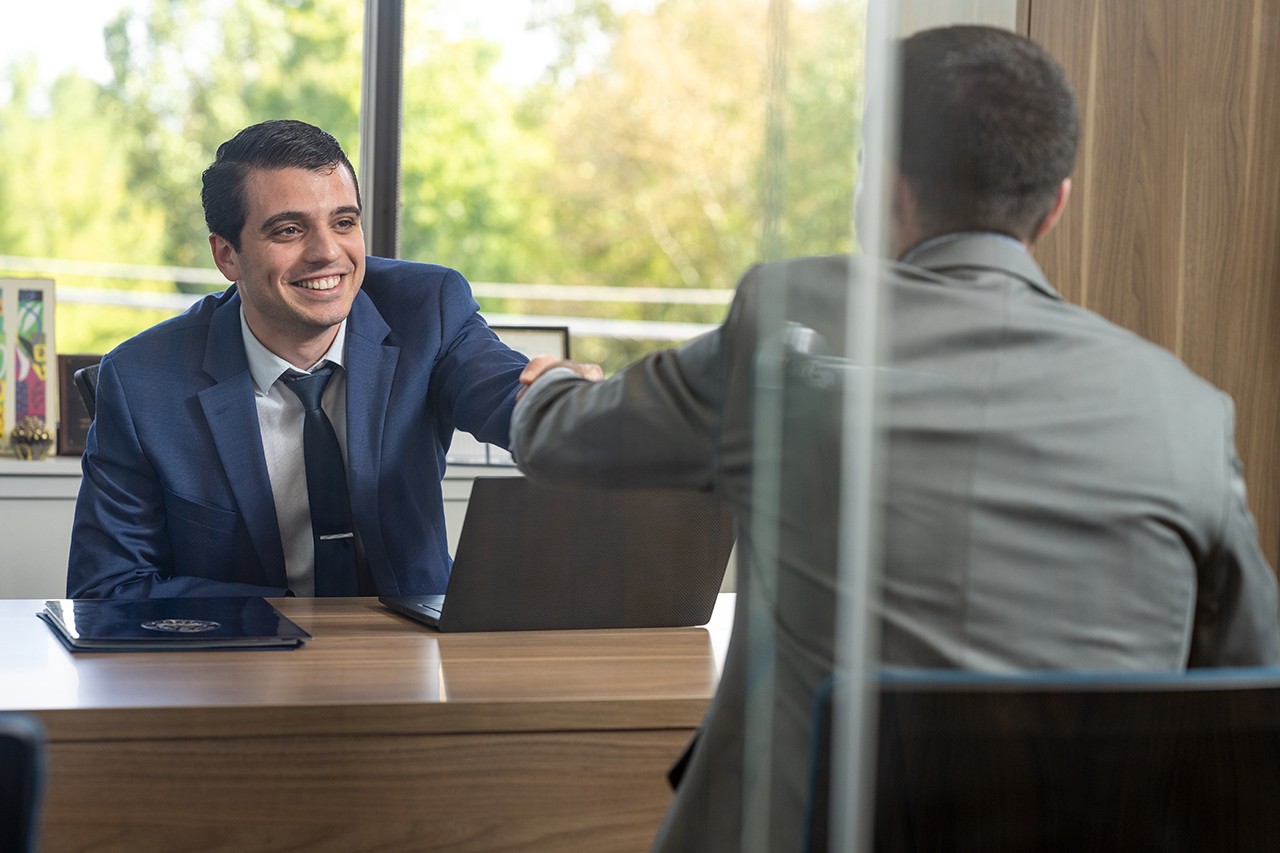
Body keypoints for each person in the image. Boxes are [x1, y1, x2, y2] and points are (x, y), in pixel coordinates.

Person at [509, 25, 1280, 853]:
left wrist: (547, 384)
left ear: (886, 187)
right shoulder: (1187, 411)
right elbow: (1248, 693)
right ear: (1056, 202)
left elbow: (562, 441)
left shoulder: (789, 320)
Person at [68, 119, 537, 598]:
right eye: (289, 230)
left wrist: (561, 398)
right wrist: (287, 621)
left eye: (344, 222)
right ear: (227, 255)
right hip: (242, 658)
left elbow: (507, 396)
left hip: (410, 650)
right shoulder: (141, 381)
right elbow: (108, 588)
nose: (327, 252)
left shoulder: (426, 311)